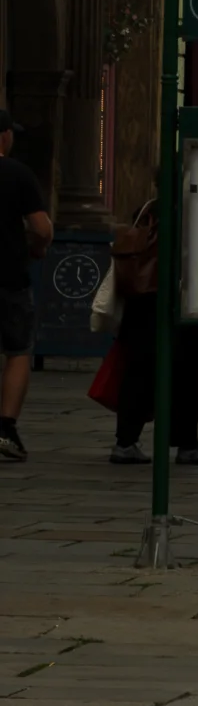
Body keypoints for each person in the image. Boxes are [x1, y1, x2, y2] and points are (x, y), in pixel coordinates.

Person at [108, 199, 198, 466]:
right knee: (186, 373)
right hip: (181, 302)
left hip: (142, 301)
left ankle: (125, 441)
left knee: (138, 372)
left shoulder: (148, 209)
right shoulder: (196, 210)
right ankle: (186, 442)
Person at [0, 111, 50, 461]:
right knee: (17, 351)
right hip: (8, 276)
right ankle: (5, 428)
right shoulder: (17, 174)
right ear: (4, 136)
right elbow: (42, 228)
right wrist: (36, 248)